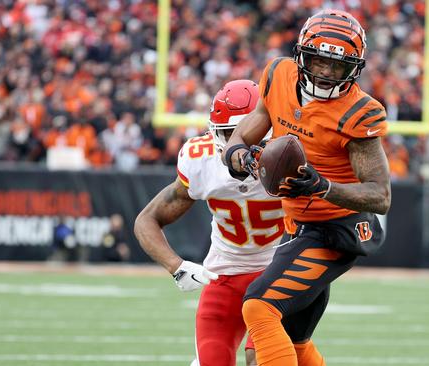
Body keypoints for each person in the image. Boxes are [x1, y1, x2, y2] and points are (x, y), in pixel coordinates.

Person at [222, 9, 391, 365]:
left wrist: (322, 186)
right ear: (301, 55)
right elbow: (249, 129)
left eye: (338, 67)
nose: (327, 73)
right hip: (299, 225)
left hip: (336, 228)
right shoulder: (278, 75)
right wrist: (238, 155)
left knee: (259, 306)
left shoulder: (359, 112)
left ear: (355, 68)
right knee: (294, 341)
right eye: (318, 61)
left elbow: (379, 196)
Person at [134, 80, 286, 366]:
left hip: (277, 272)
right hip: (224, 274)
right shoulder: (202, 161)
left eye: (241, 133)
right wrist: (176, 267)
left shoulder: (287, 158)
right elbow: (147, 219)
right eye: (227, 134)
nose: (232, 144)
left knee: (261, 358)